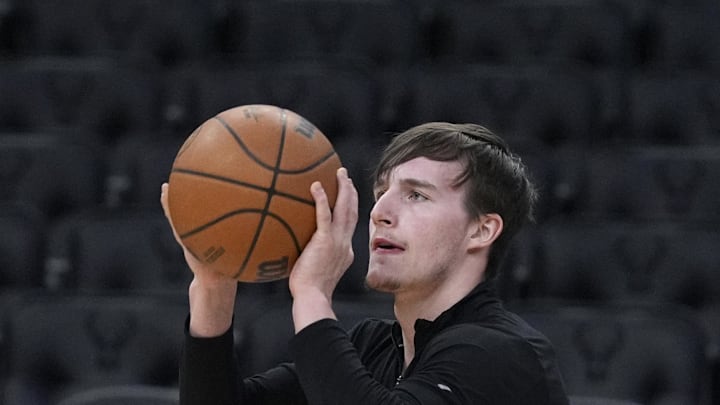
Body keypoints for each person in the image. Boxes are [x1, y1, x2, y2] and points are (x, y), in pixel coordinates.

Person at [161, 122, 569, 405]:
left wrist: (312, 294)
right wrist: (214, 286)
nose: (380, 212)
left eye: (416, 195)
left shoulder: (502, 353)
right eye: (381, 192)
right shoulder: (373, 346)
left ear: (482, 230)